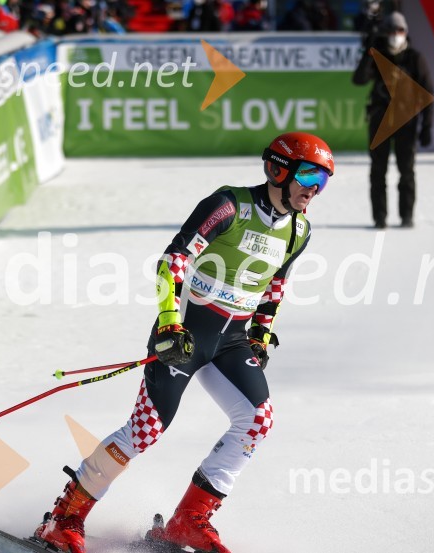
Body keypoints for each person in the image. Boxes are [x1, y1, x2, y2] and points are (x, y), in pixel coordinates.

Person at [33, 132, 335, 553]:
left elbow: (276, 285)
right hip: (186, 333)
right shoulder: (228, 205)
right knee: (145, 430)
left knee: (257, 420)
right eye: (307, 174)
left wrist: (261, 335)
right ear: (278, 169)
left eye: (323, 179)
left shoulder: (299, 231)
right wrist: (171, 323)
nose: (313, 188)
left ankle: (189, 522)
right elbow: (173, 260)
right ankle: (64, 518)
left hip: (231, 341)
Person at [352, 11, 434, 229]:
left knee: (406, 170)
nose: (396, 35)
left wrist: (427, 126)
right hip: (380, 120)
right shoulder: (377, 55)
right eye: (392, 31)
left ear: (406, 32)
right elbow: (358, 80)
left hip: (406, 122)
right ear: (385, 33)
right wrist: (368, 53)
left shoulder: (415, 58)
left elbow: (428, 93)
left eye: (400, 30)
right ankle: (380, 218)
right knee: (378, 170)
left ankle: (407, 217)